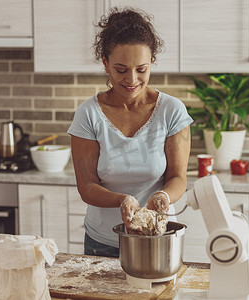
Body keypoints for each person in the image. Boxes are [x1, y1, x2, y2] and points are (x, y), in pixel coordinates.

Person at [67, 7, 193, 258]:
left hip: (157, 239)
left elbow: (178, 177)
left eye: (141, 69)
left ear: (152, 62)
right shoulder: (88, 114)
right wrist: (122, 200)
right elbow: (87, 186)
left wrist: (163, 195)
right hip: (102, 242)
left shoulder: (171, 111)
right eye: (121, 70)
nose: (132, 80)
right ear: (105, 63)